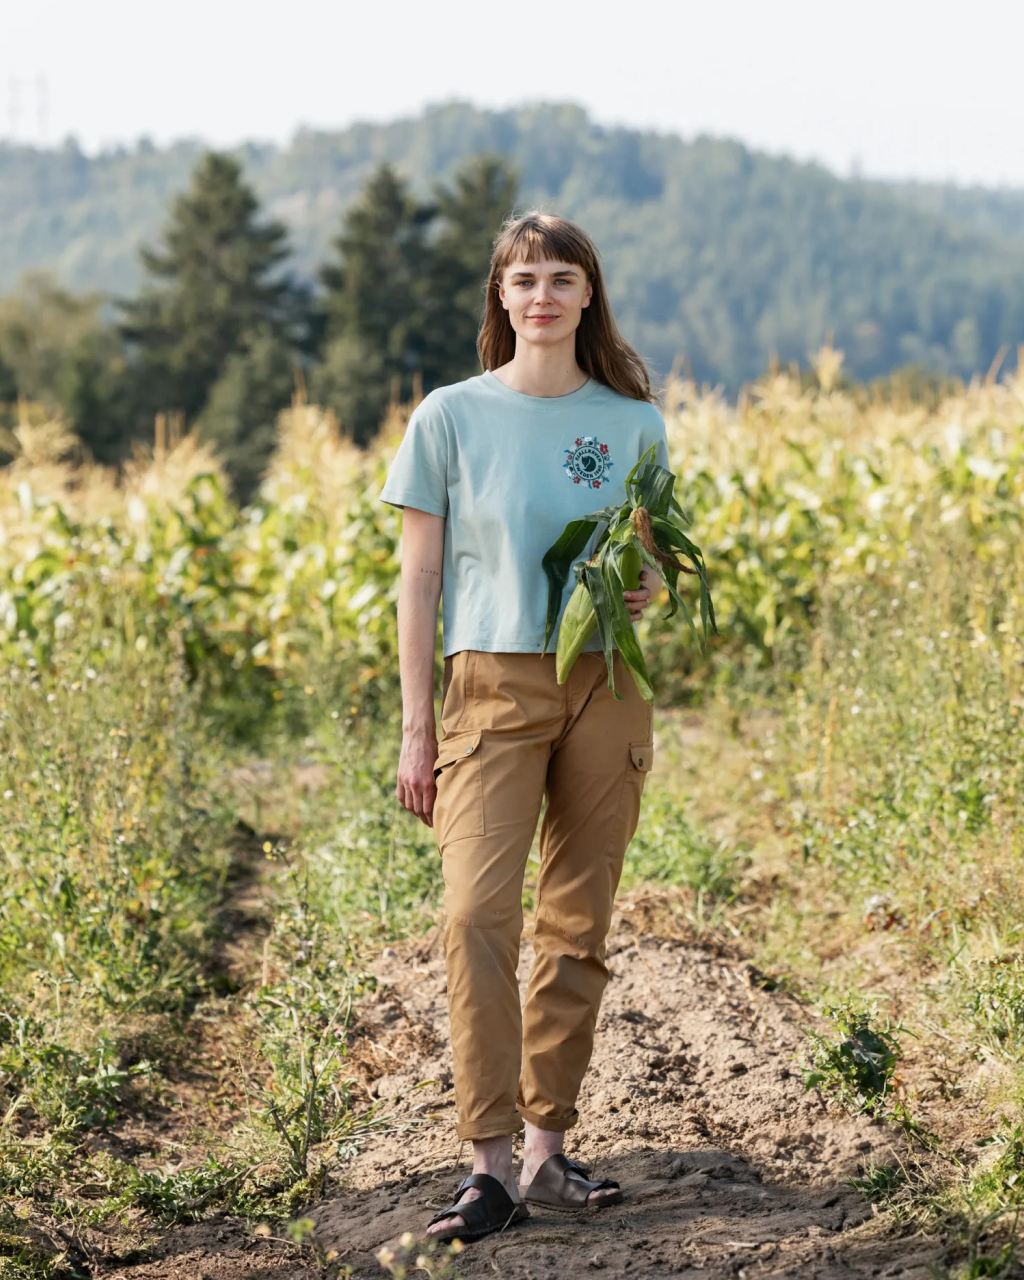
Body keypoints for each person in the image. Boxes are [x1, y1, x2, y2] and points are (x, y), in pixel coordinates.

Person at [380, 211, 668, 1243]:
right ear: (499, 298)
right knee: (473, 913)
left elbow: (649, 556)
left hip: (603, 683)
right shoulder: (449, 417)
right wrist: (418, 727)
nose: (540, 294)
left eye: (560, 277)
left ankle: (546, 1150)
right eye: (522, 279)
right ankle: (486, 1160)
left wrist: (648, 589)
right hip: (489, 683)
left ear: (588, 294)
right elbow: (417, 578)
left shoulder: (633, 418)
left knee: (576, 918)